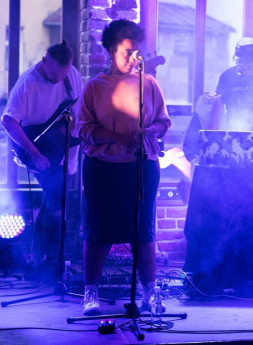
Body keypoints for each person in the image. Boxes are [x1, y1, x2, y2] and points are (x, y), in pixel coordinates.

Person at [77, 20, 171, 315]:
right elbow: (83, 129)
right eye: (127, 52)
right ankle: (90, 292)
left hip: (141, 167)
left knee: (143, 231)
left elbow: (163, 122)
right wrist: (118, 137)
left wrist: (150, 131)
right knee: (99, 230)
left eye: (136, 52)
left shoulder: (149, 84)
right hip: (103, 169)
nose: (133, 58)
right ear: (110, 50)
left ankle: (150, 292)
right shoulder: (95, 87)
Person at [2, 40, 83, 263]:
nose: (59, 78)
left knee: (53, 201)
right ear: (44, 61)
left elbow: (77, 111)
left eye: (63, 73)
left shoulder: (72, 75)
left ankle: (40, 255)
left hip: (64, 150)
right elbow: (8, 121)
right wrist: (35, 154)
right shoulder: (28, 83)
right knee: (56, 202)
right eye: (55, 73)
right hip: (37, 149)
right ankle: (53, 259)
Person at [215, 38, 253, 161]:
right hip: (235, 138)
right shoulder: (227, 76)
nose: (247, 66)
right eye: (242, 62)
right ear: (237, 60)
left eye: (251, 62)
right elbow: (218, 107)